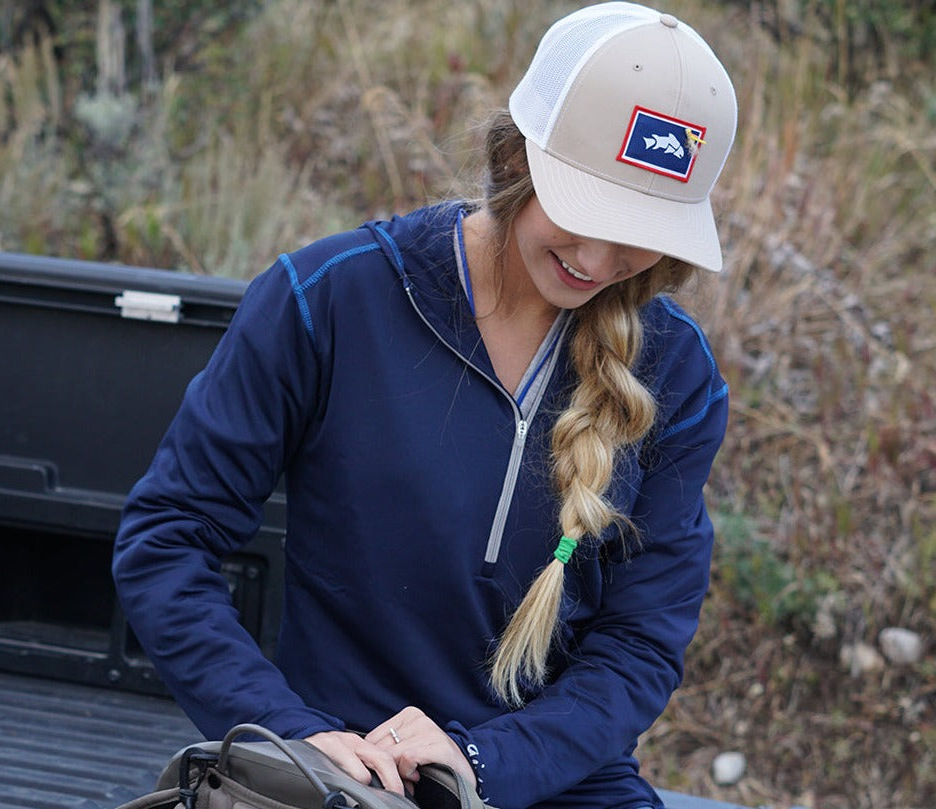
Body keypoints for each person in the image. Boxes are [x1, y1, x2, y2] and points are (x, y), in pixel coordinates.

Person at [112, 3, 738, 808]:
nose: (596, 259)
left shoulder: (676, 371)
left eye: (636, 233)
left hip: (548, 780)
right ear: (514, 157)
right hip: (338, 771)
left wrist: (484, 761)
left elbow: (641, 642)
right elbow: (167, 539)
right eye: (583, 212)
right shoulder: (327, 301)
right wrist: (282, 727)